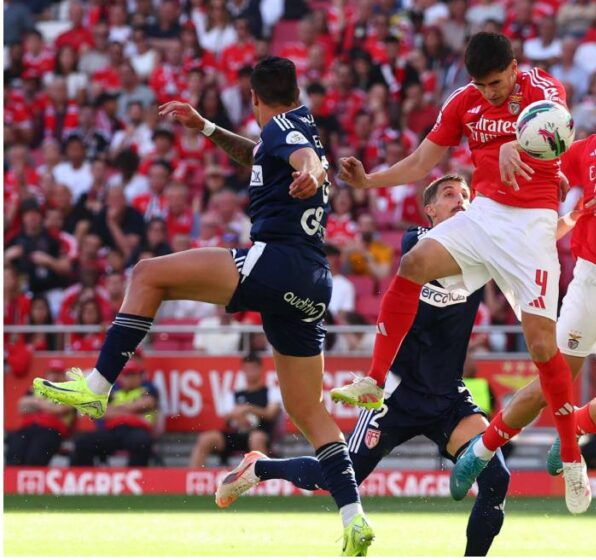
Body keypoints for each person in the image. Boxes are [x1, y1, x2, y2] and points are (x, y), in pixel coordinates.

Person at [32, 56, 373, 555]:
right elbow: (267, 154)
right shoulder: (296, 125)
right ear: (296, 93)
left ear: (253, 98)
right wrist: (208, 127)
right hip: (312, 283)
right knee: (308, 410)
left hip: (276, 262)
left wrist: (313, 172)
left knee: (147, 273)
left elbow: (304, 159)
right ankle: (354, 517)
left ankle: (98, 386)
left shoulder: (284, 129)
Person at [332, 32, 589, 513]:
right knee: (413, 262)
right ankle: (374, 379)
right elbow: (422, 161)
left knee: (541, 347)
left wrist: (518, 145)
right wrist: (369, 181)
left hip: (531, 225)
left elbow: (557, 128)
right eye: (480, 84)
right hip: (484, 214)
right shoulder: (464, 100)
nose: (488, 92)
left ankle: (572, 457)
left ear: (513, 68)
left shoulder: (541, 87)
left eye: (496, 83)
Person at [217, 175, 510, 555]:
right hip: (396, 394)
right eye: (449, 194)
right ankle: (260, 468)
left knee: (496, 478)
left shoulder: (481, 249)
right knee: (337, 477)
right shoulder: (418, 240)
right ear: (430, 210)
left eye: (466, 195)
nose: (460, 199)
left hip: (447, 395)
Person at [450, 63, 596, 491]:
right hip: (592, 281)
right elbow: (536, 150)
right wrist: (509, 147)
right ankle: (481, 450)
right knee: (550, 382)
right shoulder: (585, 149)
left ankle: (573, 427)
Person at [189, 353, 281, 467]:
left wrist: (248, 408)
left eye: (253, 369)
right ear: (243, 370)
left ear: (260, 369)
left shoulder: (271, 392)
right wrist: (239, 416)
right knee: (206, 439)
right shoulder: (233, 395)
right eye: (247, 369)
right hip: (236, 434)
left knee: (256, 438)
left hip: (260, 433)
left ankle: (262, 474)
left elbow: (270, 414)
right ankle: (195, 474)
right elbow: (227, 417)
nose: (250, 372)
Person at [70, 358, 158, 467]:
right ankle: (88, 475)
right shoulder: (113, 392)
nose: (130, 378)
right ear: (121, 377)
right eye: (126, 375)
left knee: (142, 443)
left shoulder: (147, 390)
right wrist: (132, 411)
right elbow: (100, 412)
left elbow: (147, 403)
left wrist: (116, 409)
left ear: (139, 377)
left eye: (133, 375)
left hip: (136, 429)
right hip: (113, 430)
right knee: (82, 442)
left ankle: (134, 475)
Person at [7, 361, 76, 466]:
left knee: (34, 457)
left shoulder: (69, 392)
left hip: (52, 431)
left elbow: (58, 409)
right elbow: (21, 406)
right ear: (46, 374)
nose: (55, 377)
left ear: (64, 376)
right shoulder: (36, 388)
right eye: (52, 373)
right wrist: (45, 405)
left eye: (58, 373)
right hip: (30, 427)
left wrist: (36, 403)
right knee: (15, 451)